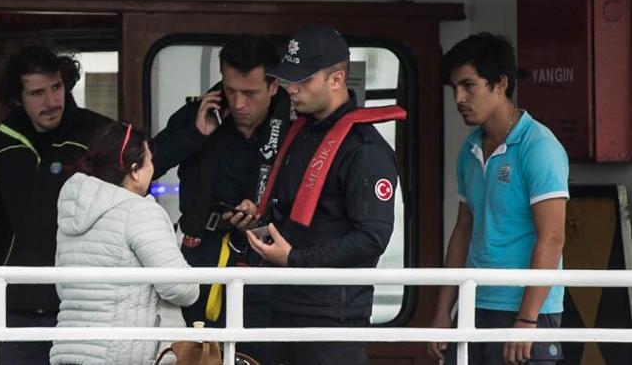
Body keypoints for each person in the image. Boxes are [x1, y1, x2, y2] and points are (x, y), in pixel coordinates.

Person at [245, 25, 401, 365]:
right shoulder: (301, 133)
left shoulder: (365, 149)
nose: (292, 88)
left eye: (303, 80)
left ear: (336, 79)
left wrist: (294, 261)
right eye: (288, 79)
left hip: (333, 316)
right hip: (284, 304)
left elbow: (372, 238)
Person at [427, 33, 568, 365]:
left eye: (469, 86)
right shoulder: (470, 149)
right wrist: (441, 312)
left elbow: (553, 237)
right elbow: (463, 230)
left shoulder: (539, 147)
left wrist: (527, 320)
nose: (459, 97)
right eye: (453, 88)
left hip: (526, 310)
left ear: (501, 83)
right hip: (475, 300)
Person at [152, 33, 291, 361]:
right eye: (230, 90)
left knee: (260, 354)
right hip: (202, 254)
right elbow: (142, 169)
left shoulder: (295, 125)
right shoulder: (198, 114)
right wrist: (194, 135)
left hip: (266, 258)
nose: (239, 103)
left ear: (274, 86)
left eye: (250, 93)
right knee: (197, 356)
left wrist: (265, 211)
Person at [0, 45, 111, 364]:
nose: (51, 101)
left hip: (81, 302)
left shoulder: (97, 131)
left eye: (56, 87)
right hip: (18, 300)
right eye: (37, 92)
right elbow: (25, 218)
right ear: (17, 98)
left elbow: (143, 165)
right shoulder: (7, 138)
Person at [50, 122, 199, 365]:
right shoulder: (139, 211)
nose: (153, 168)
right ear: (135, 171)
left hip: (72, 351)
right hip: (126, 354)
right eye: (149, 160)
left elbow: (63, 288)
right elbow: (182, 288)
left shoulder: (72, 211)